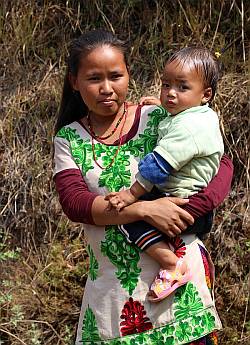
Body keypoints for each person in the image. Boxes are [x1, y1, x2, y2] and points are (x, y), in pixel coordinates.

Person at [53, 29, 233, 344]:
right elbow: (76, 204)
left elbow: (221, 165)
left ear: (128, 75)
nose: (107, 89)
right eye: (94, 79)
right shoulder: (68, 139)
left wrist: (186, 211)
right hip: (114, 296)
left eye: (115, 76)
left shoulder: (159, 116)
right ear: (74, 81)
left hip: (181, 290)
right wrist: (145, 209)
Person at [105, 47, 224, 302]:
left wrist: (130, 195)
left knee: (129, 219)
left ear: (206, 95)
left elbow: (159, 164)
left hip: (183, 203)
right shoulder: (199, 116)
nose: (170, 93)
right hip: (191, 202)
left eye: (182, 88)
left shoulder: (190, 127)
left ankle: (171, 265)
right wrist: (165, 107)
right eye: (166, 84)